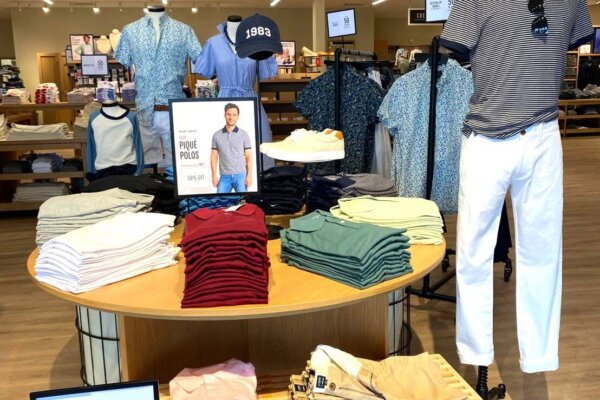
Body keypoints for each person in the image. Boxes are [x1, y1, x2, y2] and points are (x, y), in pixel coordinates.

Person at [440, 0, 593, 373]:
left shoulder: (572, 1)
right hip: (486, 139)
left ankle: (539, 356)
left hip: (542, 136)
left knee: (543, 251)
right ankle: (476, 354)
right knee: (474, 253)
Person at [211, 103, 253, 193]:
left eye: (234, 115)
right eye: (228, 114)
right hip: (224, 176)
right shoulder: (216, 135)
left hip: (241, 175)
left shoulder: (244, 134)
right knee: (220, 203)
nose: (231, 117)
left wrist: (249, 175)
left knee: (243, 203)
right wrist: (214, 175)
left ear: (238, 116)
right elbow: (214, 156)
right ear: (224, 115)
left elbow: (249, 156)